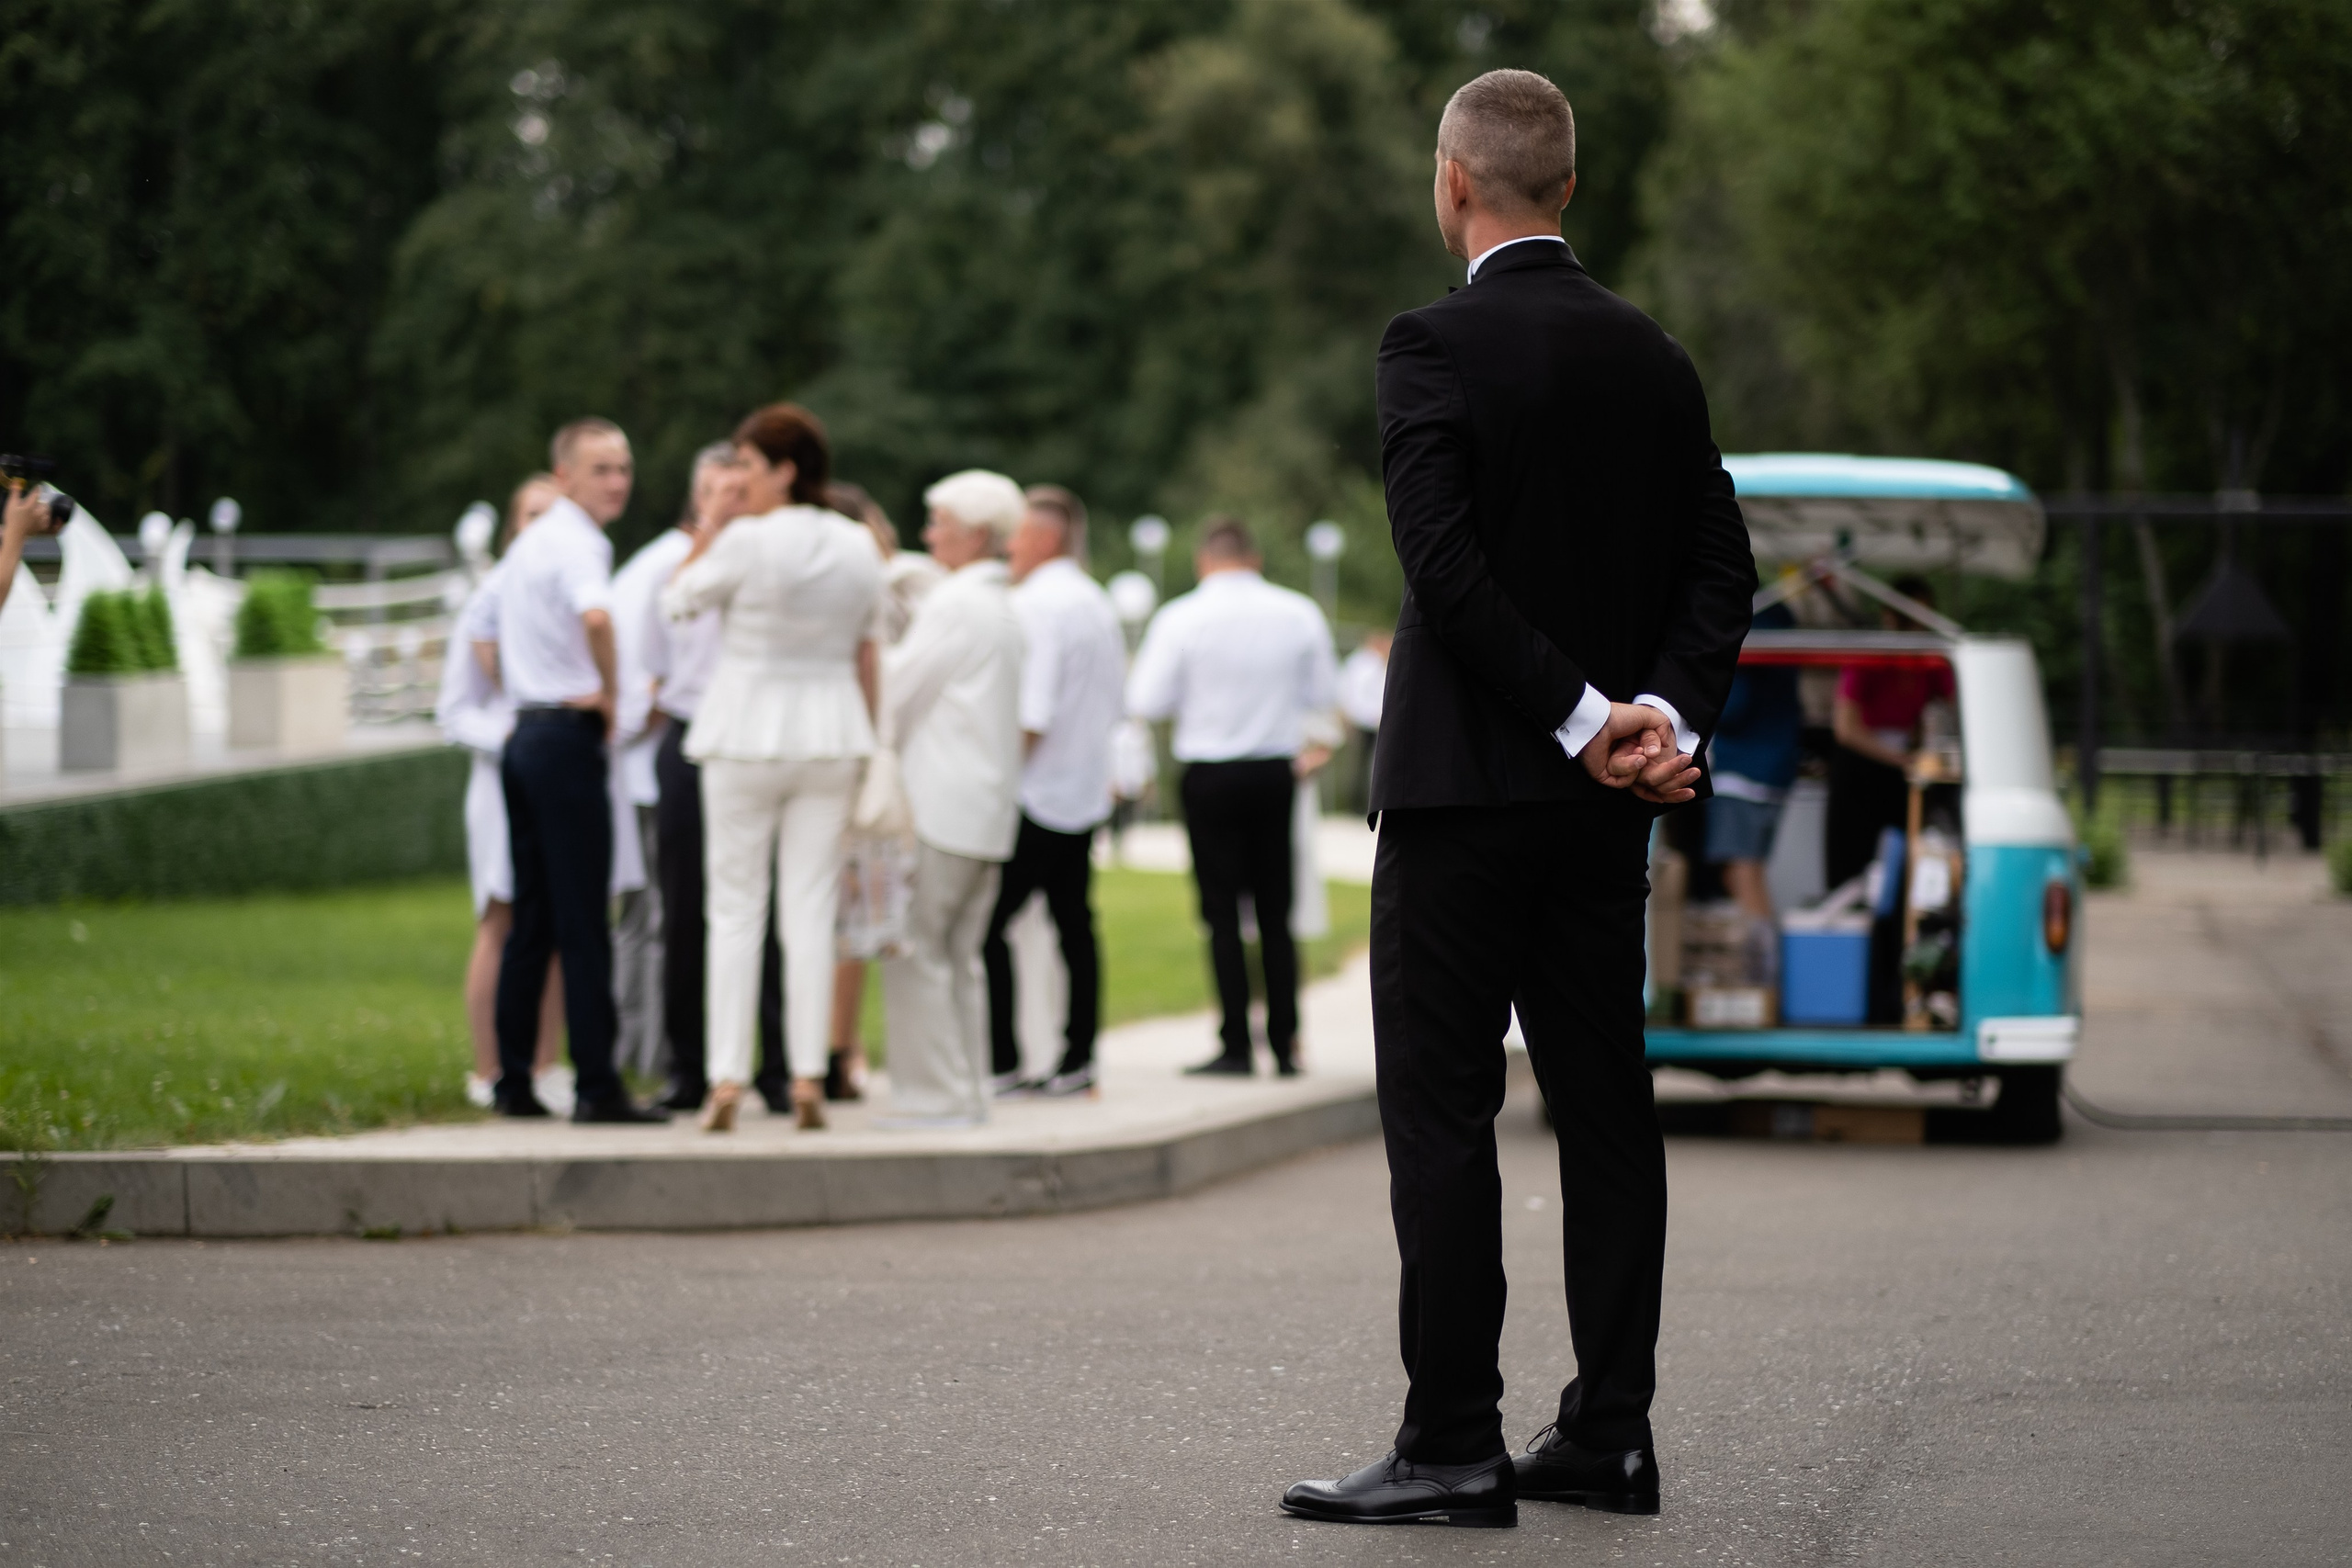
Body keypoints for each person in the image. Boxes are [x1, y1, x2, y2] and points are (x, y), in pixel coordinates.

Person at [1280, 71, 1750, 1528]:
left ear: (1452, 183)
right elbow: (1721, 570)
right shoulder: (1655, 356)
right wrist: (1652, 716)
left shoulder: (1432, 342)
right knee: (1607, 1107)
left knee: (1444, 1112)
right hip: (1606, 813)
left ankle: (1454, 1440)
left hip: (1463, 799)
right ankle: (1609, 1432)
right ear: (1568, 190)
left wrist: (1576, 717)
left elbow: (1441, 566)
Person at [661, 404, 882, 1134]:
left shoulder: (746, 540)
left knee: (734, 906)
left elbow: (677, 603)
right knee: (811, 908)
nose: (738, 480)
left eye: (749, 467)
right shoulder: (855, 544)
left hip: (744, 728)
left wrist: (713, 526)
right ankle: (807, 1069)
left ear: (786, 470)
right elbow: (870, 638)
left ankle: (728, 1074)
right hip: (830, 729)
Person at [490, 419, 667, 1123]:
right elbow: (597, 617)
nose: (617, 481)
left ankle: (513, 1080)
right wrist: (612, 690)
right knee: (581, 917)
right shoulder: (579, 544)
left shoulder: (528, 545)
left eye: (623, 467)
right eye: (602, 469)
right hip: (564, 739)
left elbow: (484, 623)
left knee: (533, 917)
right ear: (563, 475)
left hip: (526, 734)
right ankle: (598, 1083)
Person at [1125, 517, 1338, 1079]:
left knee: (1221, 913)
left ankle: (1236, 1044)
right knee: (1276, 911)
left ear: (1204, 559)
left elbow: (1147, 697)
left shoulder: (1180, 616)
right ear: (1255, 556)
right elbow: (1322, 695)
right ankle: (1287, 1043)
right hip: (1274, 771)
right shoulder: (1298, 612)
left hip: (1211, 772)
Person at [639, 445, 791, 1113]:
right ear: (698, 497)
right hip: (692, 734)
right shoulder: (671, 570)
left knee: (774, 906)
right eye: (716, 491)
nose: (730, 502)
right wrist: (707, 542)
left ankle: (780, 1066)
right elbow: (651, 654)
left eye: (740, 489)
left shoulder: (777, 562)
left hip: (760, 740)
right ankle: (689, 1068)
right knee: (686, 908)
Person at [876, 469, 1027, 1127]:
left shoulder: (958, 605)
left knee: (917, 950)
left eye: (938, 522)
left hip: (943, 806)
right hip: (986, 810)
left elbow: (894, 689)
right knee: (958, 956)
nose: (928, 533)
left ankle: (934, 1098)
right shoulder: (996, 605)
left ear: (974, 534)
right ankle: (965, 1093)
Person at [980, 484, 1125, 1098]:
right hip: (1083, 788)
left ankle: (1004, 1061)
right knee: (1075, 923)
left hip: (1037, 792)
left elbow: (1031, 713)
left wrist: (996, 781)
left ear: (1042, 537)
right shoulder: (1097, 601)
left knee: (985, 926)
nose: (1007, 547)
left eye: (1015, 533)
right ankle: (1078, 1055)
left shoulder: (1037, 604)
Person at [436, 473, 567, 1111]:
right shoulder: (489, 597)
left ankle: (546, 1065)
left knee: (561, 921)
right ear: (516, 524)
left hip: (563, 777)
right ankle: (491, 1067)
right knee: (504, 918)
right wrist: (518, 737)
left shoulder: (572, 593)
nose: (545, 526)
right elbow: (453, 709)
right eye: (533, 514)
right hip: (501, 780)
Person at [817, 478, 942, 1103]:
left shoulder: (893, 588)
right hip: (866, 759)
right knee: (853, 913)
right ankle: (837, 1048)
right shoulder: (887, 590)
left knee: (849, 912)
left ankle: (839, 1046)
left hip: (862, 758)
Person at [1826, 578, 1954, 889]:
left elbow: (1951, 706)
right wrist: (1899, 758)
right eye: (1912, 619)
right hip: (1861, 769)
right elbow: (1846, 728)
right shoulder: (1868, 656)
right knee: (1853, 861)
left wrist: (1925, 744)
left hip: (1904, 770)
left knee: (1908, 861)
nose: (1919, 629)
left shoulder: (1930, 661)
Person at [1706, 602, 1803, 926]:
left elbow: (1732, 708)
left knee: (1740, 872)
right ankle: (1767, 960)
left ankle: (1763, 964)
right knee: (1752, 870)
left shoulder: (1745, 633)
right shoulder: (1782, 628)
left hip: (1742, 774)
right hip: (1778, 772)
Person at [1338, 629, 1391, 816]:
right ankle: (1357, 805)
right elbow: (1357, 695)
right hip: (1363, 720)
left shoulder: (1373, 663)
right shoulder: (1363, 663)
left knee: (1370, 764)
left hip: (1372, 720)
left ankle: (1366, 803)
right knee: (1361, 764)